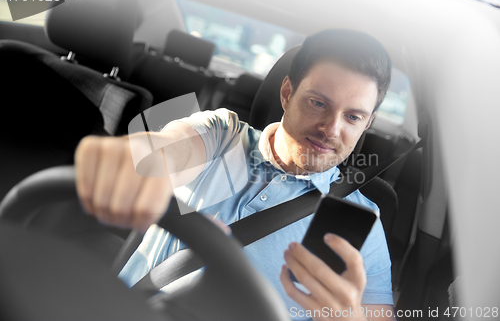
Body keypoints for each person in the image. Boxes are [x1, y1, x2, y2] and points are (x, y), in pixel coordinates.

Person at [75, 29, 396, 321]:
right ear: (287, 93)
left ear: (367, 123)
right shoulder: (222, 133)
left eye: (353, 116)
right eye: (317, 103)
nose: (331, 129)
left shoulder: (360, 219)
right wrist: (133, 155)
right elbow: (171, 147)